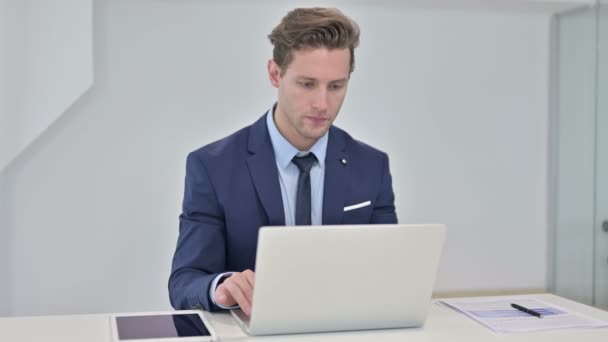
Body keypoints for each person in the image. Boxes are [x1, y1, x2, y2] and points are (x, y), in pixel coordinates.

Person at [169, 7, 397, 316]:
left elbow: (390, 273)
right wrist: (222, 287)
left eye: (336, 86)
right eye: (307, 84)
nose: (322, 103)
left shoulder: (373, 166)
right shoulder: (212, 167)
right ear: (275, 74)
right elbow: (185, 283)